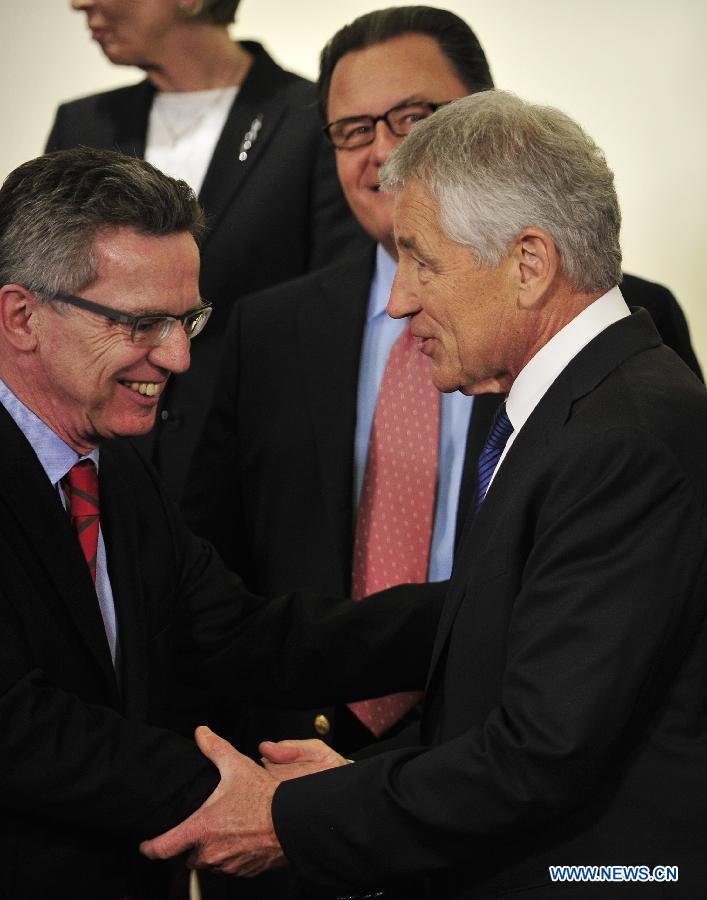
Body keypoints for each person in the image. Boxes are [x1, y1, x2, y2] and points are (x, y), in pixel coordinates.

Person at [142, 91, 707, 897]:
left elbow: (537, 756)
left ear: (529, 263)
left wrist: (291, 816)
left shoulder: (620, 441)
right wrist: (339, 787)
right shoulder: (579, 411)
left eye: (423, 261)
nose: (399, 298)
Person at [183, 6, 703, 760]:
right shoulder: (263, 330)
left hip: (518, 774)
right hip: (287, 775)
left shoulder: (612, 325)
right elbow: (213, 571)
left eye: (413, 118)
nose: (384, 155)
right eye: (352, 131)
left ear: (484, 119)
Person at [0, 146, 441, 900]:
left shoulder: (119, 464)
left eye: (187, 319)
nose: (176, 357)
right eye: (142, 323)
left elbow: (243, 638)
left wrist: (481, 601)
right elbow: (19, 726)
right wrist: (259, 805)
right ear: (22, 317)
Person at [46, 0, 367, 502]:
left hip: (258, 473)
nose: (80, 2)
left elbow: (335, 307)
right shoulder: (83, 124)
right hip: (101, 470)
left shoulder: (312, 120)